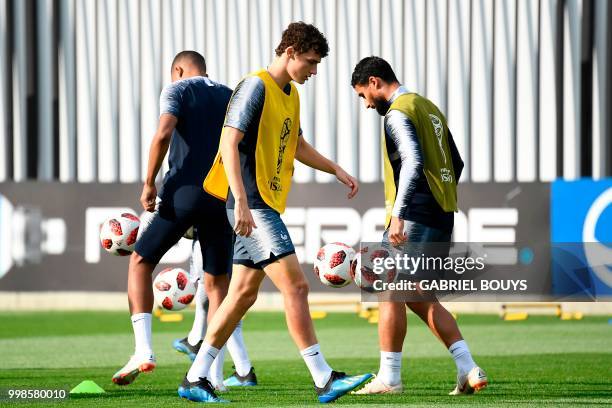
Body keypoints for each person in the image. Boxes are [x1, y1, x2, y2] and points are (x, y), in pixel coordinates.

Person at [176, 22, 372, 403]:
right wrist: (243, 203)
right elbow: (228, 144)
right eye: (311, 63)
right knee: (296, 287)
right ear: (291, 52)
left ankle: (195, 377)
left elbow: (296, 144)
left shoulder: (289, 95)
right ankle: (323, 377)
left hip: (259, 202)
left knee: (242, 295)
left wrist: (335, 168)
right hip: (253, 204)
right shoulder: (255, 86)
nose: (313, 71)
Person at [350, 56, 488, 395]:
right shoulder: (428, 107)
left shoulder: (398, 112)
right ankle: (468, 369)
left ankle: (389, 378)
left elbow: (412, 160)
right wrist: (439, 199)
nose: (366, 105)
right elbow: (456, 162)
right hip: (441, 212)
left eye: (362, 95)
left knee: (389, 290)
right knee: (418, 295)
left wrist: (400, 213)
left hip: (413, 214)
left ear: (375, 83)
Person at [111, 51, 234, 386]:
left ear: (178, 70)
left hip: (183, 193)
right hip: (222, 197)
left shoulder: (177, 90)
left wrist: (149, 182)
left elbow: (164, 133)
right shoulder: (230, 94)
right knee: (218, 286)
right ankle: (215, 374)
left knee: (140, 261)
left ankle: (144, 351)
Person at [173, 230, 257, 390]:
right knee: (226, 299)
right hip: (239, 232)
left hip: (215, 229)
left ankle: (213, 375)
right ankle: (243, 371)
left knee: (216, 291)